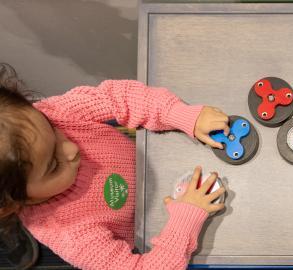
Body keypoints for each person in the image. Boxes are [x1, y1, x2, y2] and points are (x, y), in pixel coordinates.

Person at [0, 63, 229, 269]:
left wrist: (180, 114)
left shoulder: (52, 113)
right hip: (149, 224)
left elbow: (119, 97)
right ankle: (13, 236)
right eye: (53, 166)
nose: (71, 149)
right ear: (12, 203)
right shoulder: (72, 235)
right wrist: (185, 218)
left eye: (52, 130)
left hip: (152, 159)